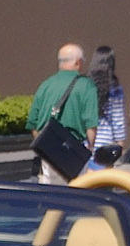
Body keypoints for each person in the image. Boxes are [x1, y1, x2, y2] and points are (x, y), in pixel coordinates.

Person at [25, 43, 99, 184]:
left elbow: (32, 123)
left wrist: (45, 145)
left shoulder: (46, 85)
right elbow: (90, 124)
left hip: (49, 153)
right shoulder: (86, 85)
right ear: (78, 62)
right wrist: (90, 147)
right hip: (73, 151)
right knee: (75, 195)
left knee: (52, 196)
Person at [89, 45, 125, 152]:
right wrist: (121, 145)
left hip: (86, 143)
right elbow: (117, 120)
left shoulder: (86, 85)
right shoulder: (114, 88)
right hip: (106, 144)